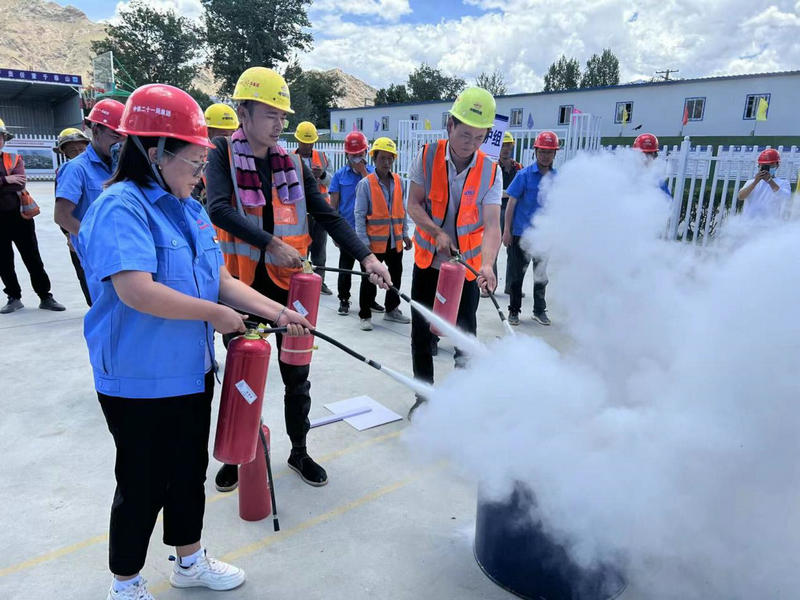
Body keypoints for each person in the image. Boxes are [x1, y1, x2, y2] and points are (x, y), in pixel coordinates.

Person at [78, 83, 311, 600]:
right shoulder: (120, 207)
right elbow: (137, 290)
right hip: (138, 377)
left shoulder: (190, 208)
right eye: (193, 160)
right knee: (143, 482)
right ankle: (125, 583)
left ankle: (189, 560)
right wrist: (218, 316)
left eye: (204, 161)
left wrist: (278, 311)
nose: (201, 173)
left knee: (188, 471)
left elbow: (221, 279)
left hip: (190, 370)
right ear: (155, 152)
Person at [206, 67, 392, 490]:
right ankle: (238, 453)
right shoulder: (222, 154)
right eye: (269, 114)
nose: (278, 124)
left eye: (282, 116)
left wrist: (367, 258)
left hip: (291, 287)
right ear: (243, 113)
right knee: (243, 374)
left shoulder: (292, 163)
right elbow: (218, 208)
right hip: (242, 288)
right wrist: (271, 243)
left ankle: (299, 451)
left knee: (297, 375)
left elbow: (328, 214)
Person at [406, 87, 502, 418]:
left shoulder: (491, 171)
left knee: (465, 335)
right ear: (450, 125)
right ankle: (424, 396)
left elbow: (493, 224)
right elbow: (413, 204)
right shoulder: (427, 156)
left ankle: (462, 398)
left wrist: (487, 265)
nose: (470, 144)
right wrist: (436, 233)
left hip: (468, 268)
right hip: (429, 262)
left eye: (479, 138)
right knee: (422, 332)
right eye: (464, 135)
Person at [54, 99, 126, 305]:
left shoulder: (120, 166)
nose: (120, 143)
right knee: (105, 310)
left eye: (124, 137)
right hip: (98, 256)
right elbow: (62, 216)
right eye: (115, 136)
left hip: (124, 250)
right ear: (95, 130)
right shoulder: (77, 169)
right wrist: (94, 238)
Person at [0, 117, 65, 314]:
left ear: (4, 139)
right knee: (4, 261)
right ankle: (13, 297)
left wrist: (7, 182)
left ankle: (45, 296)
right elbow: (12, 183)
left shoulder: (13, 158)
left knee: (32, 258)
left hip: (20, 216)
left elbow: (20, 183)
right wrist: (6, 179)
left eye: (0, 136)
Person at [353, 136, 412, 330]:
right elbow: (359, 215)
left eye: (390, 158)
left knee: (395, 276)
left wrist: (405, 233)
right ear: (374, 159)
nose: (386, 162)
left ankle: (392, 309)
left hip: (394, 241)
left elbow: (402, 210)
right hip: (373, 243)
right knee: (369, 279)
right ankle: (365, 315)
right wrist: (363, 242)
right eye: (382, 158)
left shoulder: (399, 182)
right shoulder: (366, 184)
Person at [503, 130, 559, 327]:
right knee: (516, 276)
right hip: (521, 234)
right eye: (542, 151)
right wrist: (507, 231)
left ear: (555, 154)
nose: (545, 156)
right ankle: (514, 311)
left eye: (549, 152)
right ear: (535, 152)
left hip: (544, 236)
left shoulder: (557, 179)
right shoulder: (524, 175)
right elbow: (511, 204)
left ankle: (539, 310)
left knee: (541, 276)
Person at [330, 130, 382, 315]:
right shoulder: (339, 176)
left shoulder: (373, 174)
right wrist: (334, 233)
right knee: (345, 267)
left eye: (360, 154)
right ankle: (344, 299)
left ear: (366, 153)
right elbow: (333, 205)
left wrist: (363, 172)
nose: (357, 158)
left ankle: (370, 300)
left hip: (369, 230)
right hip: (346, 230)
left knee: (370, 269)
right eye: (353, 155)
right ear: (347, 155)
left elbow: (376, 197)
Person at [53, 127, 92, 305]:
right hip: (79, 233)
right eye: (72, 150)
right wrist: (69, 235)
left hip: (102, 234)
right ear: (65, 153)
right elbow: (61, 212)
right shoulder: (66, 172)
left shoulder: (99, 169)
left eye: (81, 149)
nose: (77, 153)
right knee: (85, 275)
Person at [294, 121, 333, 295]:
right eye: (304, 143)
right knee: (303, 249)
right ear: (298, 141)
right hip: (300, 212)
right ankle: (306, 279)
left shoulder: (323, 157)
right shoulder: (290, 158)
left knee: (320, 250)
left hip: (319, 212)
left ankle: (319, 282)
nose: (307, 146)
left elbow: (331, 181)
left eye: (310, 143)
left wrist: (322, 174)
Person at [191, 103, 239, 206]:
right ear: (207, 132)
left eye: (232, 134)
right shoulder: (197, 161)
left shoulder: (240, 160)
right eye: (223, 135)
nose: (228, 140)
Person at [497, 130, 522, 296]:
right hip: (496, 210)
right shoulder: (493, 167)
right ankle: (489, 286)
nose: (506, 149)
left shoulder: (518, 167)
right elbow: (490, 191)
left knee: (513, 251)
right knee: (492, 247)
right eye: (503, 145)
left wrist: (506, 193)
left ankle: (510, 286)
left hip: (514, 211)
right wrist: (511, 193)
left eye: (508, 145)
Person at [738, 148, 791, 219]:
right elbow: (741, 197)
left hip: (771, 223)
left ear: (777, 165)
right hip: (749, 222)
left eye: (770, 165)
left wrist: (770, 181)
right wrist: (755, 182)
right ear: (759, 166)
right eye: (764, 165)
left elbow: (785, 197)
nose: (767, 168)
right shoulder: (750, 182)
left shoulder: (783, 183)